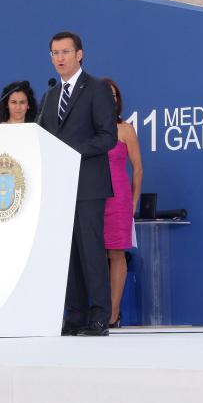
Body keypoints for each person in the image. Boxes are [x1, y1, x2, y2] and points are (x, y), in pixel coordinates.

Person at [36, 31, 118, 336]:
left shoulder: (96, 89)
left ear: (79, 55)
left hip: (88, 185)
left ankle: (99, 317)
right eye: (54, 53)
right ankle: (75, 315)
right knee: (67, 254)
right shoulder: (50, 96)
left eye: (65, 52)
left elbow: (108, 137)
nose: (59, 58)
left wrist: (71, 151)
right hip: (59, 187)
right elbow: (42, 137)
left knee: (91, 252)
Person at [98, 77, 143, 328]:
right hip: (93, 199)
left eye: (113, 96)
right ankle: (99, 309)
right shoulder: (89, 130)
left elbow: (138, 168)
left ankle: (113, 314)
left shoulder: (126, 130)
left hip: (118, 200)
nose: (109, 100)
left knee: (116, 253)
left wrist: (134, 201)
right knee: (94, 256)